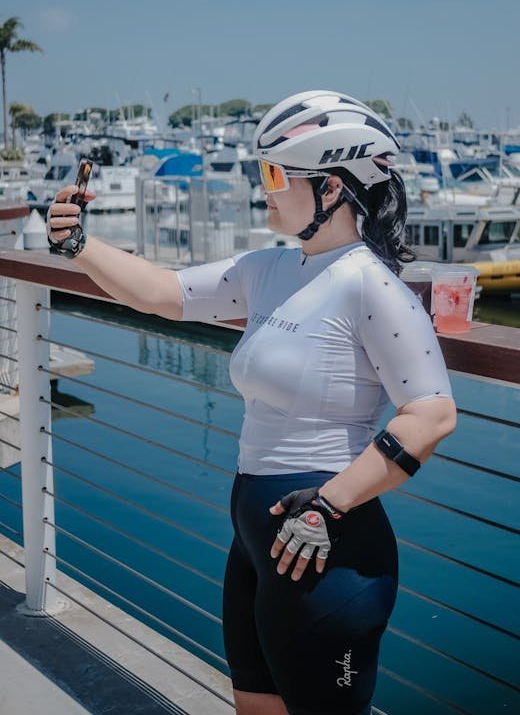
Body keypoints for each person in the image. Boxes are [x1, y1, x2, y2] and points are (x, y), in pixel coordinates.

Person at [47, 90, 457, 715]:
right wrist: (79, 245)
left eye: (272, 173)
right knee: (256, 706)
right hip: (256, 533)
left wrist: (328, 505)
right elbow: (164, 293)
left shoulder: (372, 286)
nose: (259, 186)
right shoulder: (270, 268)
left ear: (332, 188)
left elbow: (431, 414)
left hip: (325, 538)